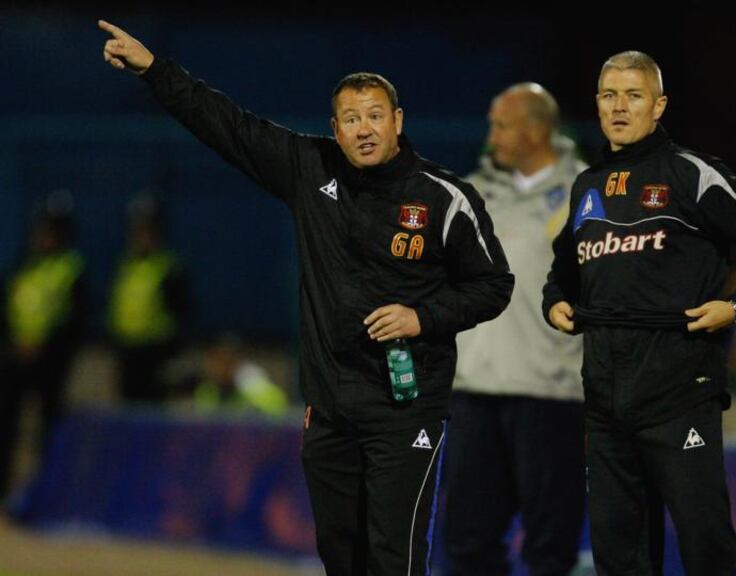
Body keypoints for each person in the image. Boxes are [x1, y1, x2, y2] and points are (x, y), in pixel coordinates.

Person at [99, 20, 513, 576]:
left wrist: (423, 316)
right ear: (335, 129)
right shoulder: (308, 168)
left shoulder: (445, 199)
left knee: (395, 559)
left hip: (405, 411)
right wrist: (156, 71)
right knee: (340, 555)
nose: (363, 129)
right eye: (350, 119)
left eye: (374, 116)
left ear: (398, 122)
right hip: (329, 414)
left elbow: (494, 285)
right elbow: (230, 126)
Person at [542, 51, 736, 575]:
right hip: (605, 403)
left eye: (633, 95)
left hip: (679, 392)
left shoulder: (689, 174)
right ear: (596, 104)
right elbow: (563, 272)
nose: (619, 107)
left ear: (658, 106)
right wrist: (554, 303)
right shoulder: (587, 186)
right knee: (620, 555)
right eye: (609, 95)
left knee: (705, 543)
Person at [446, 83, 586, 576]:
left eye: (502, 125)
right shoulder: (471, 194)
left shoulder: (587, 194)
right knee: (465, 542)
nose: (492, 136)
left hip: (552, 397)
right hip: (473, 394)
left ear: (537, 129)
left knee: (549, 549)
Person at [0, 191, 87, 500]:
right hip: (14, 359)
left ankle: (47, 496)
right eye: (42, 229)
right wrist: (13, 344)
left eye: (51, 230)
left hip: (51, 363)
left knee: (49, 430)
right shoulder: (24, 266)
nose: (43, 236)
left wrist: (44, 347)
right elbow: (8, 309)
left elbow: (76, 319)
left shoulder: (73, 268)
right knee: (6, 427)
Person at [108, 194, 189, 403]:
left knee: (152, 407)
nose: (140, 236)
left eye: (147, 230)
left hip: (156, 353)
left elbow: (183, 312)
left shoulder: (169, 267)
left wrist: (173, 352)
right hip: (127, 352)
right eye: (137, 230)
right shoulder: (125, 265)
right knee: (128, 410)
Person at [192, 333, 289, 417]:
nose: (220, 367)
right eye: (215, 360)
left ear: (235, 362)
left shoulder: (253, 387)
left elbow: (279, 408)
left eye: (225, 361)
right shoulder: (206, 391)